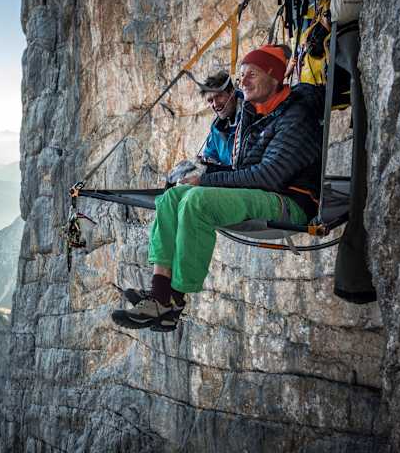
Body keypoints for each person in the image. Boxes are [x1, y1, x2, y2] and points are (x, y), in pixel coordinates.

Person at [112, 45, 323, 331]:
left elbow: (269, 175)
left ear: (274, 77)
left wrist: (206, 180)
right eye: (241, 76)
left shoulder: (295, 117)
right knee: (172, 198)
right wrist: (198, 173)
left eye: (251, 74)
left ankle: (173, 299)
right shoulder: (255, 115)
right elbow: (241, 170)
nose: (243, 82)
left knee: (197, 201)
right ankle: (160, 292)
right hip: (259, 194)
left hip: (289, 202)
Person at [198, 71, 240, 168]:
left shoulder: (249, 117)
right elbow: (210, 157)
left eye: (219, 96)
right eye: (210, 101)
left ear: (232, 92)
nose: (215, 104)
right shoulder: (216, 129)